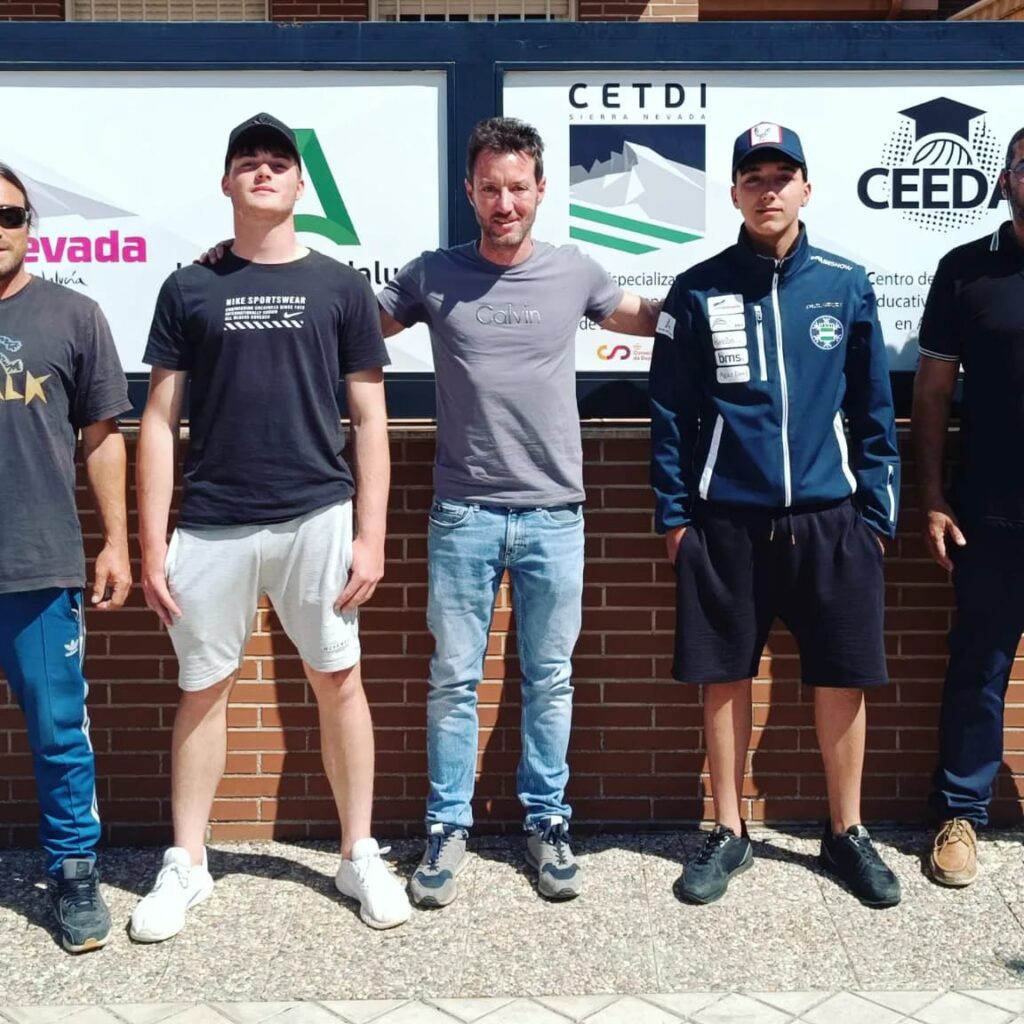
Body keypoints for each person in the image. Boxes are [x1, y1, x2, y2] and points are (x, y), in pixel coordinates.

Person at [130, 113, 409, 940]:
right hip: (211, 522)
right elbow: (158, 421)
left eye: (278, 163)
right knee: (203, 689)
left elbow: (371, 419)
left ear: (299, 183)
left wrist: (371, 536)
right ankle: (188, 862)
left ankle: (357, 853)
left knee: (339, 681)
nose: (262, 171)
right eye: (247, 161)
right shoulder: (189, 287)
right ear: (226, 182)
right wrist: (151, 543)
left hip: (317, 515)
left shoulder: (340, 286)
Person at [378, 117, 658, 906]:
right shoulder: (432, 275)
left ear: (541, 190)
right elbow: (350, 324)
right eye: (490, 188)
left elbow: (647, 318)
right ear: (469, 191)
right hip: (463, 513)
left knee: (550, 679)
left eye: (518, 188)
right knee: (453, 680)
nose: (505, 203)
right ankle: (446, 826)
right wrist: (252, 279)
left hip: (554, 515)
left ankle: (547, 822)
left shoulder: (575, 272)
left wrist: (726, 301)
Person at [650, 122, 902, 908]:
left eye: (781, 177)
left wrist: (877, 516)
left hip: (832, 521)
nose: (768, 191)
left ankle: (847, 831)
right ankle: (729, 829)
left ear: (806, 189)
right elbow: (671, 413)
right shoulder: (697, 289)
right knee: (725, 675)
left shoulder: (846, 283)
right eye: (753, 178)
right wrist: (675, 517)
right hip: (726, 522)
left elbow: (874, 410)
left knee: (843, 677)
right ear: (733, 193)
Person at [0, 164, 132, 952]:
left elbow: (102, 438)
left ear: (29, 225)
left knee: (57, 732)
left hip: (38, 563)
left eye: (8, 215)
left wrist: (116, 541)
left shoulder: (73, 316)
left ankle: (75, 873)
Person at [913, 127, 1024, 888]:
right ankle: (961, 812)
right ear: (1006, 179)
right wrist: (931, 495)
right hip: (991, 511)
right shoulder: (964, 269)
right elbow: (931, 393)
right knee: (979, 668)